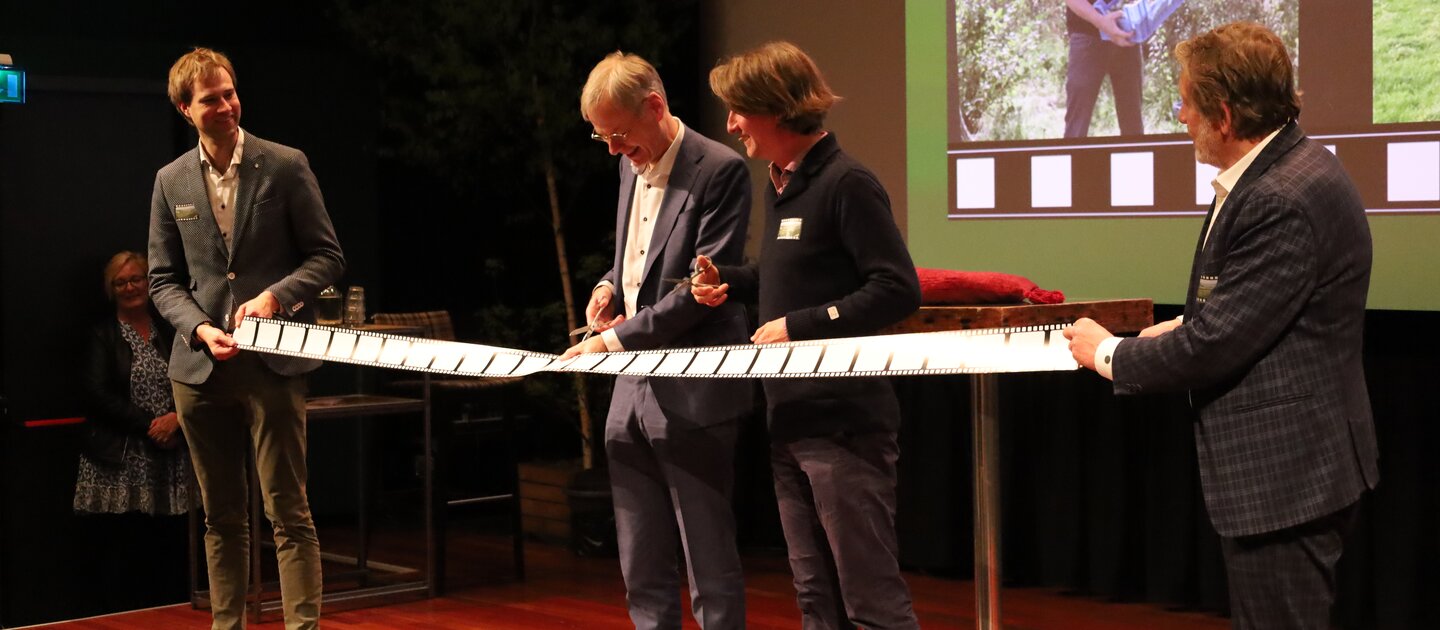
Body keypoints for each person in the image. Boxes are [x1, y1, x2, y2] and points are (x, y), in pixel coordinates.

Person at [1064, 22, 1378, 629]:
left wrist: (1109, 354)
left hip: (1287, 478)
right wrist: (1177, 326)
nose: (1179, 115)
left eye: (1184, 101)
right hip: (1294, 468)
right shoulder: (1279, 170)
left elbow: (1217, 345)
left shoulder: (1278, 196)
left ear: (1225, 116)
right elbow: (1252, 306)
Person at [695, 41, 922, 630]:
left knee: (870, 602)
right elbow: (789, 277)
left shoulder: (848, 184)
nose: (730, 124)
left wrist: (800, 326)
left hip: (845, 425)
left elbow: (896, 289)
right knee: (816, 599)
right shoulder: (783, 185)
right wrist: (734, 282)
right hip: (790, 422)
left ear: (774, 108)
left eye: (738, 109)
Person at [149, 47, 345, 630]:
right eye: (212, 99)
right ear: (186, 109)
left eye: (230, 92)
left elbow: (327, 257)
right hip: (201, 369)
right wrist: (200, 327)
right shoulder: (170, 180)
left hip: (273, 363)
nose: (227, 105)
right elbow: (162, 279)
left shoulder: (284, 164)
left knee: (289, 511)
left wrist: (276, 297)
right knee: (222, 516)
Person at [561, 51, 753, 630]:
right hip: (631, 387)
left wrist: (609, 343)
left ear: (655, 106)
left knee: (706, 555)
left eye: (618, 134)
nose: (615, 150)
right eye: (604, 139)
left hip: (693, 385)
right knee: (640, 554)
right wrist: (608, 285)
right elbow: (639, 261)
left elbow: (700, 290)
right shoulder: (628, 164)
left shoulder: (719, 170)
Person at [77, 251, 192, 516]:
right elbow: (97, 393)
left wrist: (177, 419)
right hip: (121, 456)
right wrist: (152, 427)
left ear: (149, 282)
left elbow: (192, 375)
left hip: (172, 452)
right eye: (120, 282)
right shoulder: (102, 334)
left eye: (137, 279)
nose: (130, 287)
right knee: (128, 542)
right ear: (111, 289)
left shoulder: (169, 328)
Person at [1064, 0, 1144, 138]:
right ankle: (1073, 158)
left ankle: (1135, 159)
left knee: (1133, 125)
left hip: (1127, 34)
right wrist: (1101, 22)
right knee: (1077, 127)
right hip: (1086, 35)